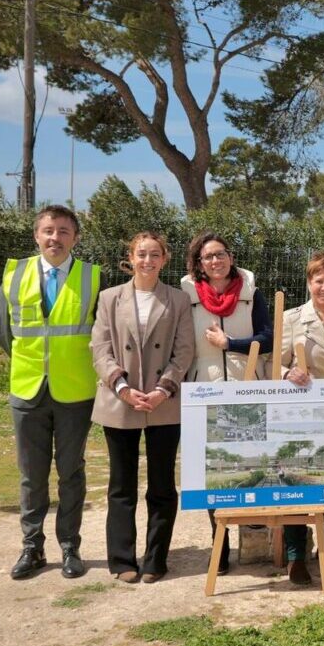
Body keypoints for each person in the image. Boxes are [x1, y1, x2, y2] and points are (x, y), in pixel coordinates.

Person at [0, 205, 102, 580]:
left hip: (75, 391)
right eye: (48, 230)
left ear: (75, 237)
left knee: (71, 472)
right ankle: (32, 547)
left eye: (64, 231)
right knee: (31, 474)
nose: (55, 238)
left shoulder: (93, 278)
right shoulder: (14, 275)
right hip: (27, 390)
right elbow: (2, 332)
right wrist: (35, 364)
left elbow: (100, 335)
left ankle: (70, 547)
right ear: (37, 235)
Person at [90, 231, 194, 583]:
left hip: (163, 403)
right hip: (121, 401)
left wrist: (164, 388)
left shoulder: (178, 300)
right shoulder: (108, 298)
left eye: (154, 255)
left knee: (162, 484)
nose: (147, 261)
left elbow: (184, 351)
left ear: (165, 259)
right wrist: (120, 386)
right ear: (130, 258)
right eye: (141, 254)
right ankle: (121, 559)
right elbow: (100, 348)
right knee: (121, 484)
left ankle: (155, 559)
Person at [181, 232, 274, 575]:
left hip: (246, 387)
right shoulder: (187, 294)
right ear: (199, 264)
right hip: (204, 389)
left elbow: (268, 338)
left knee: (250, 465)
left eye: (220, 254)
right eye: (208, 257)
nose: (215, 261)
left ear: (231, 257)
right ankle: (218, 544)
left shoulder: (251, 292)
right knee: (213, 471)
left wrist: (230, 342)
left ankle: (254, 535)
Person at [274, 252, 324, 583]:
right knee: (297, 484)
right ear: (309, 282)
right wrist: (287, 373)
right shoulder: (292, 319)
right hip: (300, 414)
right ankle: (295, 555)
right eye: (318, 280)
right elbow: (271, 365)